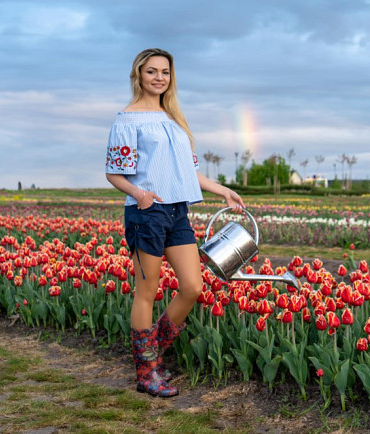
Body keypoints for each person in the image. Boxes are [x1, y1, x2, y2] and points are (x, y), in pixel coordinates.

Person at [105, 48, 245, 398]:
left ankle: (153, 353)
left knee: (193, 287)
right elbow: (113, 173)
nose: (159, 78)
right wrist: (139, 194)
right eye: (151, 71)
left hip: (177, 212)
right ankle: (147, 372)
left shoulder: (174, 119)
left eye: (164, 72)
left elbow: (188, 172)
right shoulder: (126, 120)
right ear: (138, 75)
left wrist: (222, 189)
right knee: (147, 290)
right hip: (146, 213)